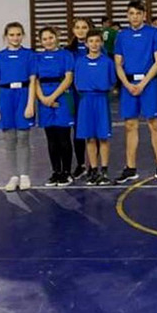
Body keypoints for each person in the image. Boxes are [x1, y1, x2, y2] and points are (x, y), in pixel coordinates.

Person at [114, 0, 157, 183]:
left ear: (144, 15)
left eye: (138, 13)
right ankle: (130, 167)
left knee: (154, 124)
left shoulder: (153, 33)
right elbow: (118, 64)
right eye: (131, 13)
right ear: (127, 16)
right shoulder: (122, 36)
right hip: (128, 84)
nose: (135, 17)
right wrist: (127, 84)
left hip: (148, 83)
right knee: (130, 125)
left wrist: (143, 84)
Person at [0, 22, 37, 192]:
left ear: (23, 35)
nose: (15, 38)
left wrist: (30, 103)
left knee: (23, 137)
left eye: (18, 34)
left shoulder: (29, 55)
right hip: (5, 96)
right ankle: (13, 176)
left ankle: (24, 175)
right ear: (6, 37)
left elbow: (33, 81)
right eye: (11, 35)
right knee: (9, 138)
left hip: (23, 95)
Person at [74, 29, 116, 186]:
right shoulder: (79, 62)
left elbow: (112, 81)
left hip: (101, 100)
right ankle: (93, 169)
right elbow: (76, 82)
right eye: (91, 41)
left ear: (102, 43)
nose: (94, 44)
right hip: (86, 100)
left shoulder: (107, 62)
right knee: (89, 137)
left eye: (97, 41)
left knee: (103, 136)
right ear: (86, 44)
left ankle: (104, 170)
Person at [35, 27, 76, 187]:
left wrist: (52, 97)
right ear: (41, 41)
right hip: (44, 98)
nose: (48, 41)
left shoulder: (66, 55)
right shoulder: (37, 57)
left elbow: (68, 78)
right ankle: (56, 171)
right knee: (51, 138)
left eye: (51, 38)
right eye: (44, 39)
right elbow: (34, 80)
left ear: (56, 37)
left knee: (63, 137)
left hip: (62, 97)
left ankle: (66, 172)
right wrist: (43, 99)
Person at [65, 17, 93, 179]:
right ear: (73, 30)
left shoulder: (97, 48)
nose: (81, 30)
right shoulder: (68, 51)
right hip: (74, 94)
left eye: (84, 27)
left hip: (91, 94)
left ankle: (94, 165)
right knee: (78, 130)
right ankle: (81, 164)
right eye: (77, 27)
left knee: (93, 129)